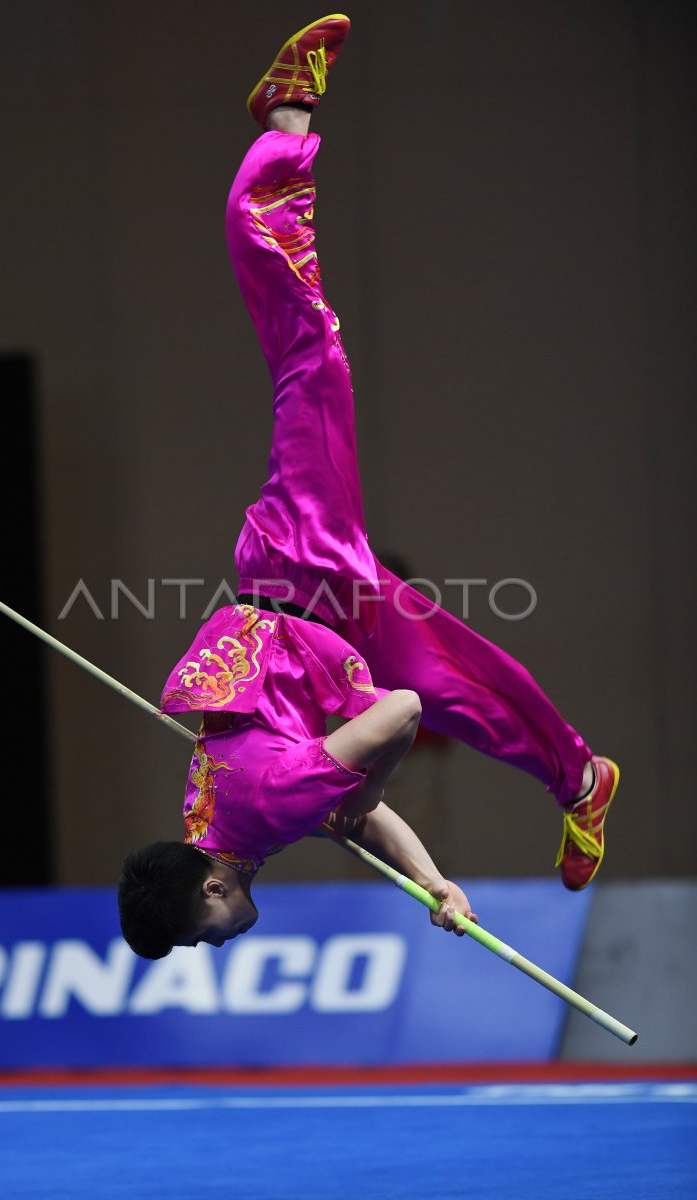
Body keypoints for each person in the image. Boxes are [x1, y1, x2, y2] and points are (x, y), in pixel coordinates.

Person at [118, 14, 619, 959]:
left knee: (313, 355)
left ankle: (285, 132)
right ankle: (579, 778)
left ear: (215, 885)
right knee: (461, 679)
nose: (214, 942)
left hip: (299, 578)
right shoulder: (224, 831)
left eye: (201, 934)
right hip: (321, 611)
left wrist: (366, 784)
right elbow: (349, 808)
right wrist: (433, 883)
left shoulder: (259, 814)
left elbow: (391, 726)